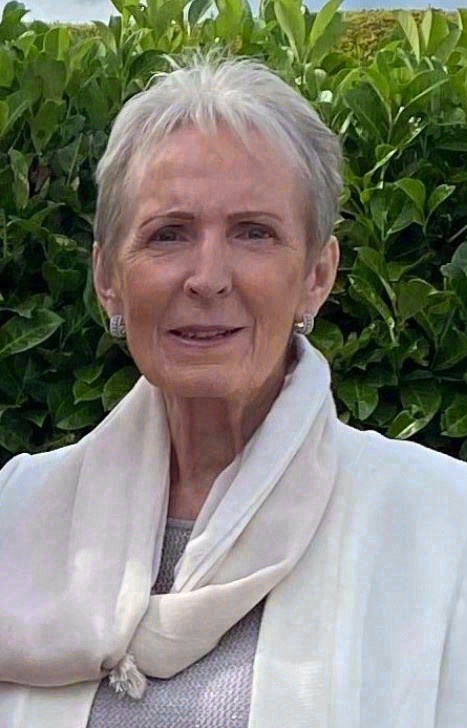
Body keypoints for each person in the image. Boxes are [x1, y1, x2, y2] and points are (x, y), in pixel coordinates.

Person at [0, 47, 466, 728]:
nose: (208, 278)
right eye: (169, 234)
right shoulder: (17, 512)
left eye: (254, 233)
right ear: (107, 279)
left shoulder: (442, 524)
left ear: (317, 275)